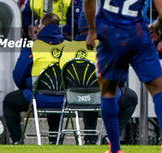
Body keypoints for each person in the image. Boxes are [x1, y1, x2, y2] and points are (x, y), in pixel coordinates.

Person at [83, 0, 162, 153]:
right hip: (138, 34)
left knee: (108, 92)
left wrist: (91, 30)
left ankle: (115, 149)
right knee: (157, 89)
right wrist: (157, 26)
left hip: (110, 37)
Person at [59, 12, 138, 145]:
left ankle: (89, 136)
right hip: (101, 95)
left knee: (87, 88)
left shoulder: (66, 46)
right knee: (130, 97)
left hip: (74, 96)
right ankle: (111, 137)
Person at [3, 13, 65, 145]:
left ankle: (17, 141)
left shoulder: (32, 47)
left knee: (9, 102)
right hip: (64, 100)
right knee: (56, 94)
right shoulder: (68, 47)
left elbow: (18, 75)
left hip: (38, 97)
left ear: (42, 26)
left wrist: (27, 86)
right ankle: (55, 141)